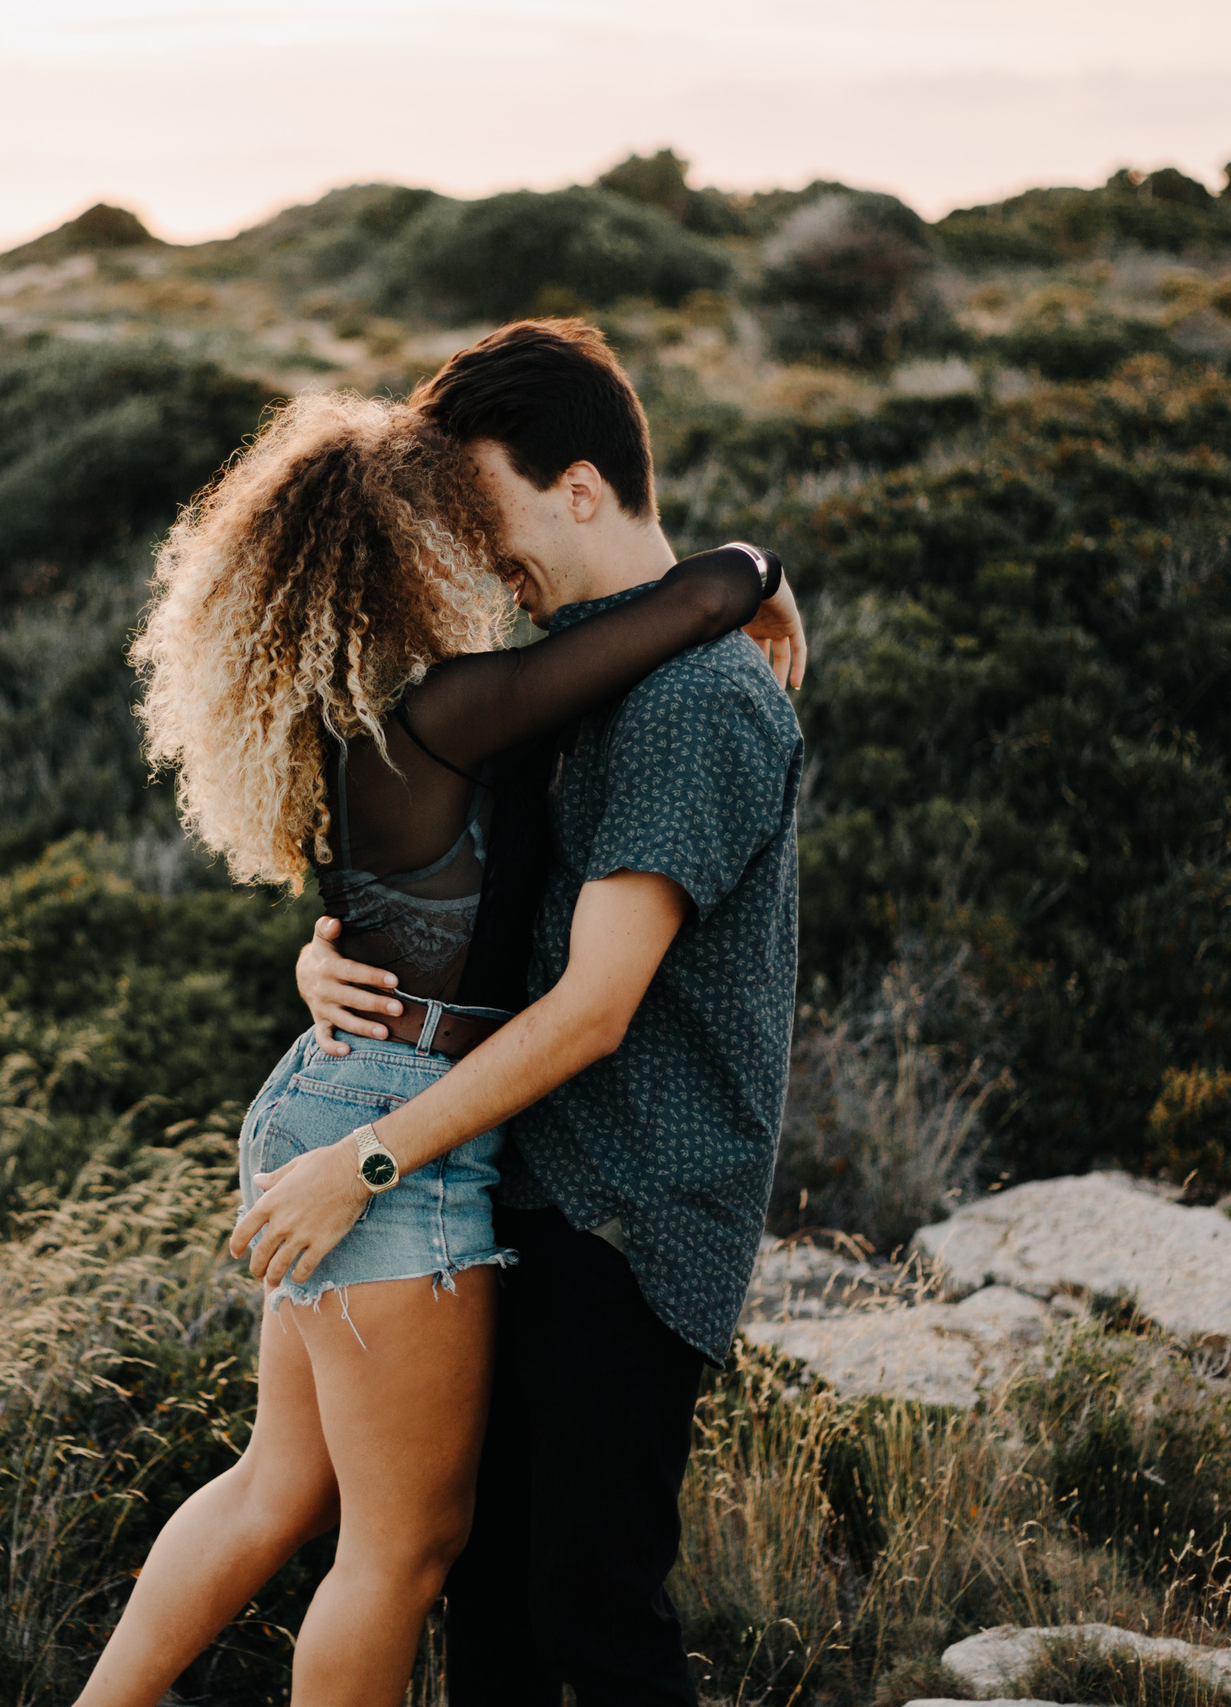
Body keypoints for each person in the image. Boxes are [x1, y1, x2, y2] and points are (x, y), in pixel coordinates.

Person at [75, 366, 802, 1706]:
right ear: (402, 547)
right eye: (444, 524)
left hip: (344, 1090)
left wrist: (331, 974)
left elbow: (415, 911)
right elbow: (691, 604)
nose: (474, 552)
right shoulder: (456, 708)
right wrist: (756, 571)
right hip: (385, 1127)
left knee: (274, 1488)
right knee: (403, 1550)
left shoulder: (391, 714)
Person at [279, 319, 808, 1704]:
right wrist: (323, 959)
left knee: (589, 1621)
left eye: (486, 508)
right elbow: (458, 908)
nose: (475, 552)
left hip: (631, 1214)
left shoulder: (694, 703)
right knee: (496, 1611)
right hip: (530, 1191)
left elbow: (593, 1012)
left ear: (581, 485)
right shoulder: (600, 676)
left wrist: (362, 1163)